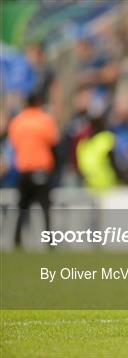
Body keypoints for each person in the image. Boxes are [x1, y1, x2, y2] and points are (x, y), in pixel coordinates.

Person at [8, 93, 58, 248]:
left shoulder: (17, 121)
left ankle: (17, 240)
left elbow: (14, 143)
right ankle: (49, 242)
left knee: (22, 206)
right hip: (41, 168)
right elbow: (53, 141)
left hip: (23, 169)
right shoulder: (44, 120)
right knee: (45, 208)